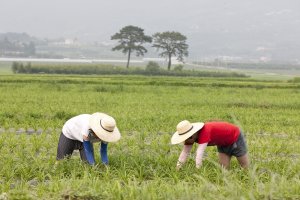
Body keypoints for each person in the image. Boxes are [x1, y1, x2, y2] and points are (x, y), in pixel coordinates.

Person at [171, 120, 249, 170]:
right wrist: (178, 168)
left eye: (189, 136)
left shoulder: (205, 131)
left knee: (245, 166)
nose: (188, 140)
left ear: (194, 132)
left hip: (235, 137)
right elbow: (185, 152)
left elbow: (200, 152)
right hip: (222, 143)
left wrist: (198, 170)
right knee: (223, 169)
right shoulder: (190, 138)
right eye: (185, 138)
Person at [56, 112, 121, 165]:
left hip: (84, 138)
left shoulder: (107, 131)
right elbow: (88, 151)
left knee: (87, 165)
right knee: (61, 162)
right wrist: (93, 166)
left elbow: (103, 150)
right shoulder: (87, 128)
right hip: (70, 134)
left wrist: (106, 166)